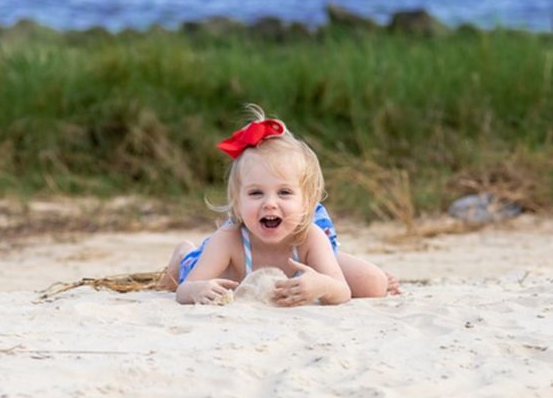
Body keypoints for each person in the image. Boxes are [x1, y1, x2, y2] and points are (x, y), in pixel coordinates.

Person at [158, 105, 400, 306]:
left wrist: (321, 285)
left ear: (307, 203)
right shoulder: (229, 239)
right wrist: (199, 289)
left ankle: (353, 267)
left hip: (312, 247)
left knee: (372, 284)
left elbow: (341, 291)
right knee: (186, 271)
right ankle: (183, 253)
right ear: (237, 202)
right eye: (255, 193)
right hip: (217, 267)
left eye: (284, 192)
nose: (270, 204)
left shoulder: (310, 237)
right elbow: (185, 290)